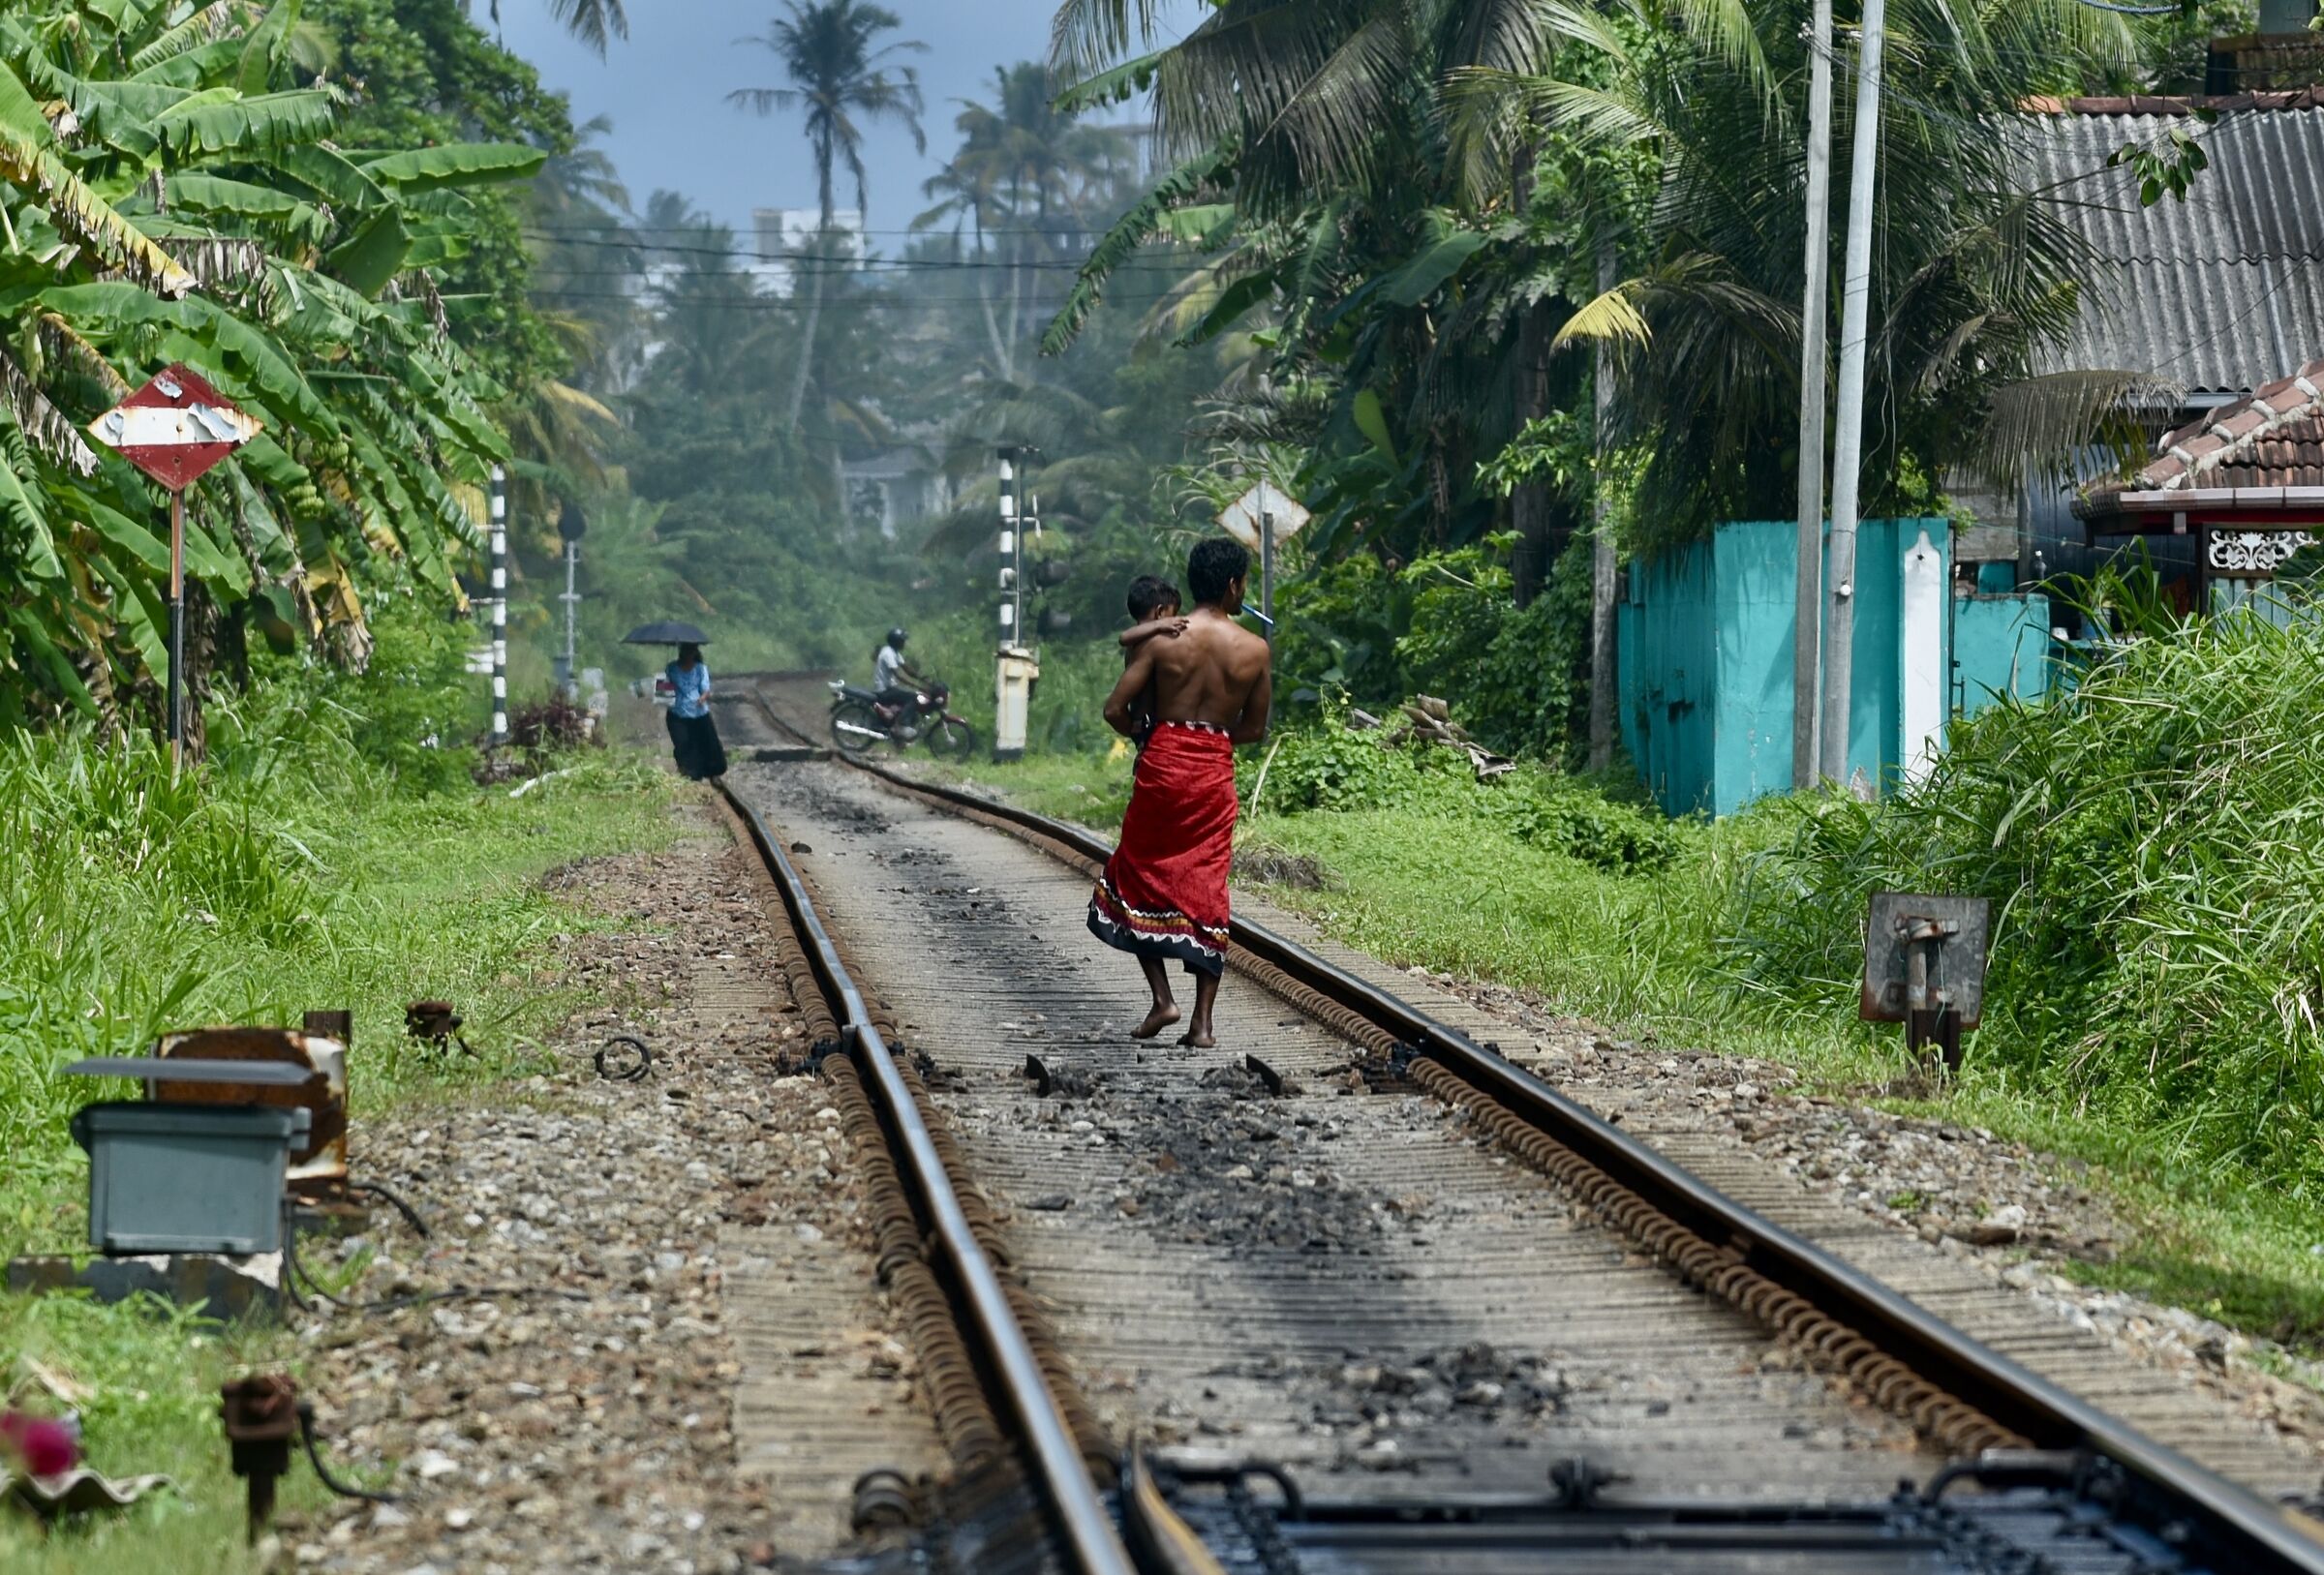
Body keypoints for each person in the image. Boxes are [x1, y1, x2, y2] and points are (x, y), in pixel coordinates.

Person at [1087, 539, 1272, 1048]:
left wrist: (1152, 733)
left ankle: (1162, 999)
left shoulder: (1163, 640)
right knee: (1207, 883)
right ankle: (1203, 1024)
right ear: (1233, 585)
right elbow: (1254, 728)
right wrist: (1209, 740)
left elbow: (1114, 710)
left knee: (1138, 869)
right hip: (1213, 769)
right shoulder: (1255, 650)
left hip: (1163, 763)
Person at [1118, 575, 1187, 749]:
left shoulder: (1144, 640)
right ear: (1160, 612)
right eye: (1173, 614)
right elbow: (1124, 637)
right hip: (1146, 724)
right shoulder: (1141, 641)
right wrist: (1160, 626)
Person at [664, 642, 727, 780]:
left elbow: (705, 689)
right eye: (685, 651)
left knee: (705, 743)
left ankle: (708, 772)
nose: (688, 654)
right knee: (683, 744)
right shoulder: (671, 668)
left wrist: (702, 698)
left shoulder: (700, 669)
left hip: (699, 713)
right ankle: (689, 772)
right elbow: (665, 689)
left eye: (690, 651)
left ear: (694, 653)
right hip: (677, 712)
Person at [872, 626, 923, 741]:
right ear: (897, 641)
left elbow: (907, 669)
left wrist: (922, 678)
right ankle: (901, 726)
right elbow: (899, 675)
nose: (904, 642)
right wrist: (917, 686)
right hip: (884, 690)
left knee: (910, 696)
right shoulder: (888, 654)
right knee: (913, 697)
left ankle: (900, 730)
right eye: (902, 640)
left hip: (889, 688)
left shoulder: (894, 652)